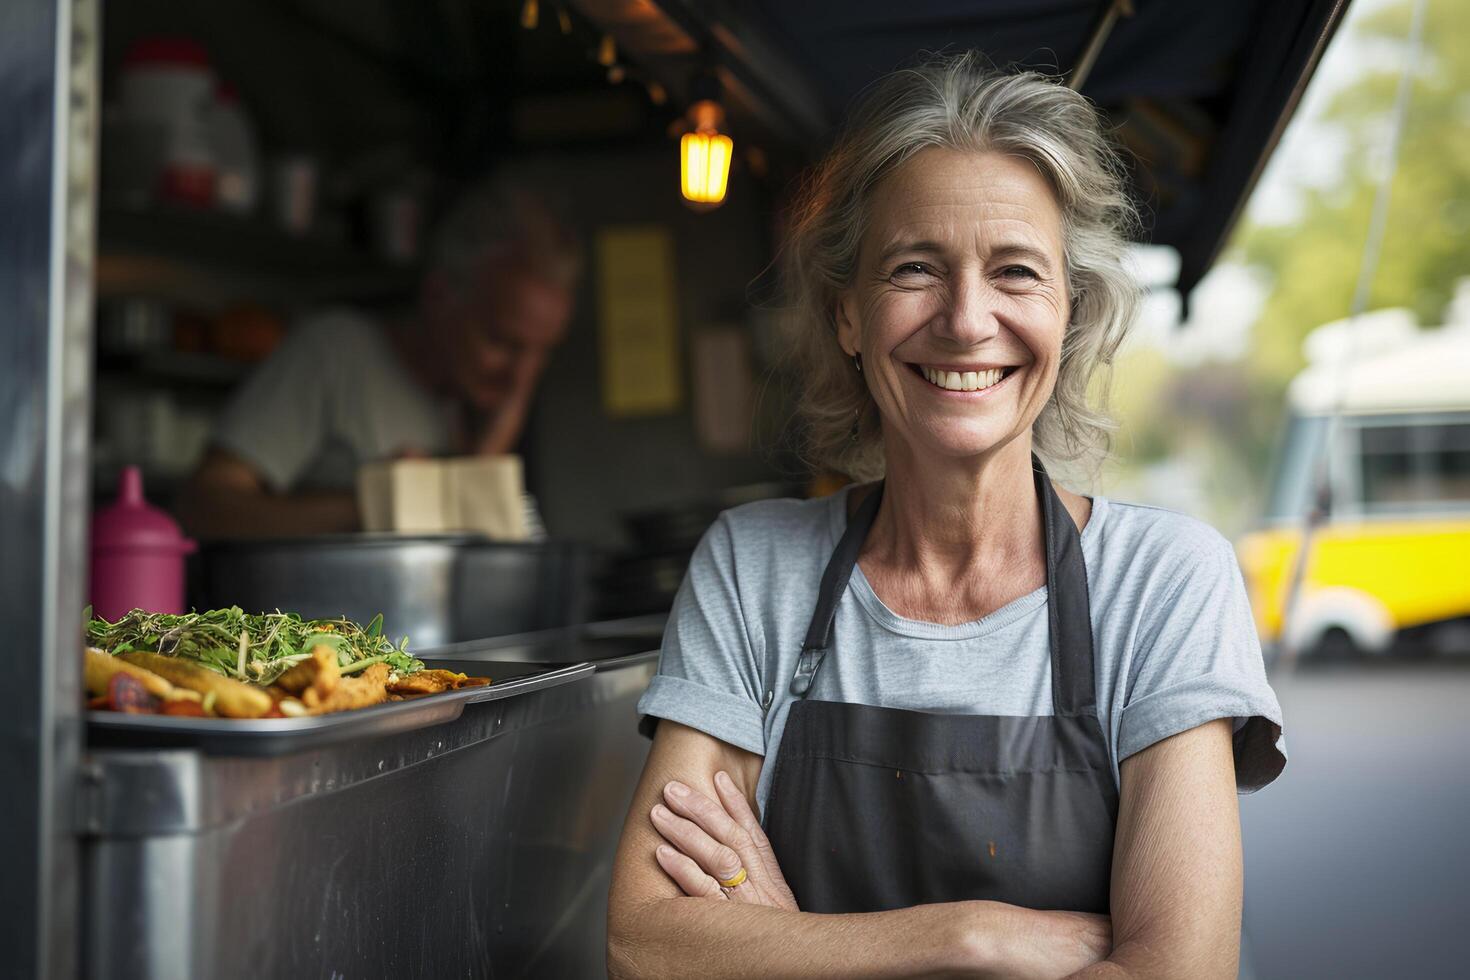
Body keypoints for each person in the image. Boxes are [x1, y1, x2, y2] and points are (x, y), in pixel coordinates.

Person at [607, 54, 1286, 978]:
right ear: (847, 313)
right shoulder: (753, 568)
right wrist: (976, 938)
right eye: (915, 268)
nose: (967, 321)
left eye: (1015, 272)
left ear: (1069, 312)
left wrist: (781, 942)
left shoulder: (1166, 582)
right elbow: (645, 945)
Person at [180, 176, 580, 538]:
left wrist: (489, 451)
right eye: (502, 343)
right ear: (439, 297)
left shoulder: (468, 400)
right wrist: (382, 503)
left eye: (542, 353)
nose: (520, 380)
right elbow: (204, 508)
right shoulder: (336, 352)